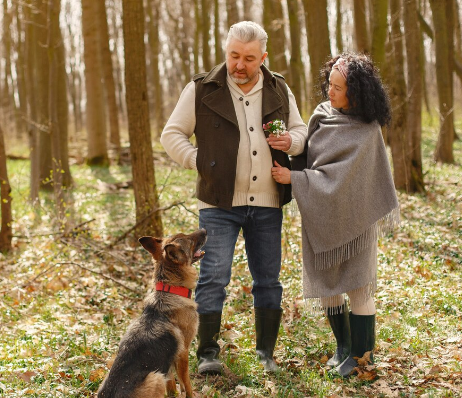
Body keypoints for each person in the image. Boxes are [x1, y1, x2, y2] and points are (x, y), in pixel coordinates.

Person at [160, 21, 308, 374]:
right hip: (218, 202)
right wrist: (198, 160)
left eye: (249, 58)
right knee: (214, 277)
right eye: (234, 56)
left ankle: (266, 355)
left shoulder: (279, 88)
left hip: (268, 200)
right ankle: (208, 354)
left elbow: (301, 130)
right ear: (226, 51)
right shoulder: (201, 88)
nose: (239, 65)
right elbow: (171, 134)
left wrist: (292, 142)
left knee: (268, 279)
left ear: (263, 58)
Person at [271, 52, 400, 377]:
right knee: (328, 285)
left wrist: (295, 180)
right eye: (330, 83)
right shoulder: (321, 115)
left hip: (357, 220)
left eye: (338, 87)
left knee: (358, 286)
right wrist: (289, 149)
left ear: (355, 92)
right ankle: (344, 349)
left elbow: (346, 180)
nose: (331, 91)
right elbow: (310, 156)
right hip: (321, 215)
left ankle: (363, 357)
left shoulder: (367, 130)